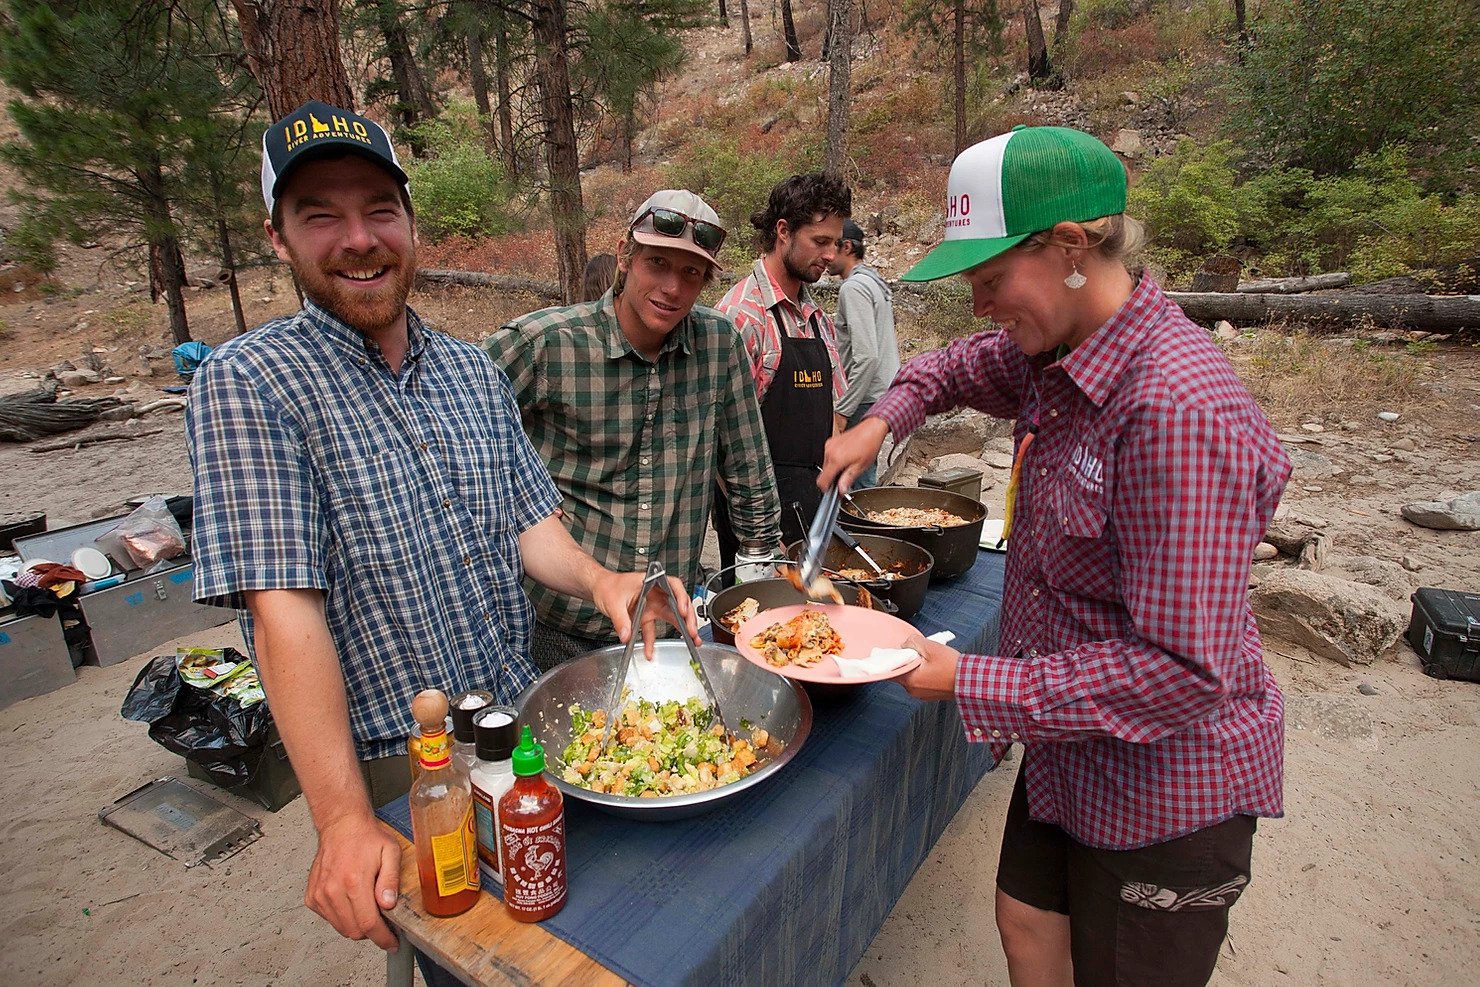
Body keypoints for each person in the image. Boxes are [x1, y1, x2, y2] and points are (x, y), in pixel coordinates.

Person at [186, 101, 694, 962]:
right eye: (321, 216)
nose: (359, 238)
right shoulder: (251, 382)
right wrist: (343, 819)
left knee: (571, 935)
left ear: (411, 223)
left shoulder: (468, 371)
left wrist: (607, 582)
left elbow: (535, 527)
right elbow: (283, 614)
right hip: (400, 761)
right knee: (462, 952)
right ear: (278, 238)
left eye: (379, 209)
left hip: (518, 716)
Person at [820, 126, 1292, 987]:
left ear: (1072, 247)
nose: (980, 304)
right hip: (1073, 749)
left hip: (1166, 786)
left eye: (992, 280)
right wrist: (884, 417)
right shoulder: (1059, 351)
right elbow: (955, 366)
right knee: (1028, 918)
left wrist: (969, 680)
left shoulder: (1173, 412)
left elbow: (1182, 670)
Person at [484, 190, 782, 667]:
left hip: (665, 624)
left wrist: (763, 568)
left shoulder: (718, 346)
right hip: (559, 625)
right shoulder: (545, 346)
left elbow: (748, 469)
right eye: (657, 263)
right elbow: (453, 431)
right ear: (625, 255)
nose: (673, 288)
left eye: (691, 273)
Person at [713, 172, 852, 568]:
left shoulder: (815, 317)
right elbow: (718, 442)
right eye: (819, 241)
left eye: (835, 243)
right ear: (783, 231)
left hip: (813, 510)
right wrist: (761, 536)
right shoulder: (742, 316)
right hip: (759, 532)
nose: (830, 254)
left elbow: (834, 411)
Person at [827, 218, 899, 488]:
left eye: (830, 245)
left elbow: (867, 357)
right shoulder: (873, 282)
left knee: (854, 481)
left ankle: (860, 531)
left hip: (864, 398)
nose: (825, 256)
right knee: (864, 474)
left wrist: (843, 410)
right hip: (881, 394)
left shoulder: (854, 288)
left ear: (846, 247)